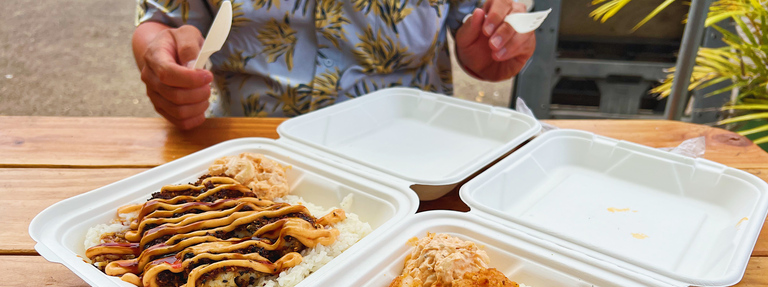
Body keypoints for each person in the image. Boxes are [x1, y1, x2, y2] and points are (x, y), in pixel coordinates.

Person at [133, 0, 536, 130]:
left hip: (413, 153)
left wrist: (495, 47)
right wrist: (160, 54)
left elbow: (475, 20)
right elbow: (162, 21)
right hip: (251, 146)